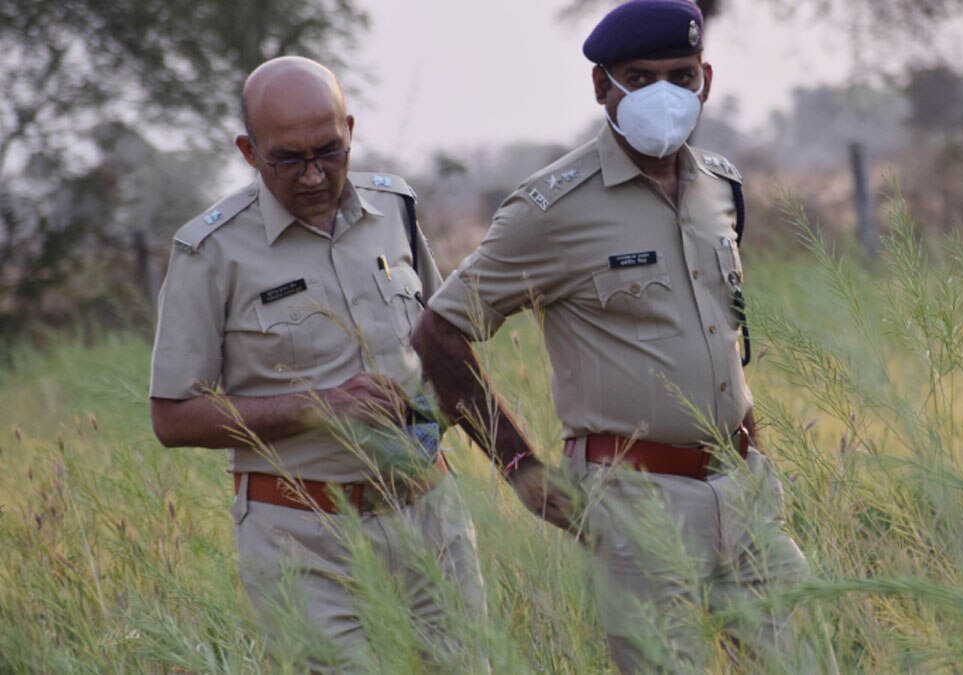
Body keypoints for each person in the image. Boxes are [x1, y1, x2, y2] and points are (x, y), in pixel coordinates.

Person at [412, 1, 835, 672]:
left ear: (707, 79)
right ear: (601, 86)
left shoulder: (719, 187)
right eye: (639, 78)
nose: (663, 94)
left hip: (744, 482)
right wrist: (519, 466)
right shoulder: (553, 207)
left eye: (681, 75)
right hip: (640, 500)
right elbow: (439, 330)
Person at [148, 56, 486, 670]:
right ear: (249, 151)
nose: (312, 176)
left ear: (350, 129)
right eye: (287, 160)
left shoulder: (396, 212)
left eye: (329, 152)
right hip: (304, 543)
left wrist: (503, 452)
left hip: (431, 521)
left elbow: (444, 350)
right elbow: (174, 418)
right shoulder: (210, 251)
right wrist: (321, 408)